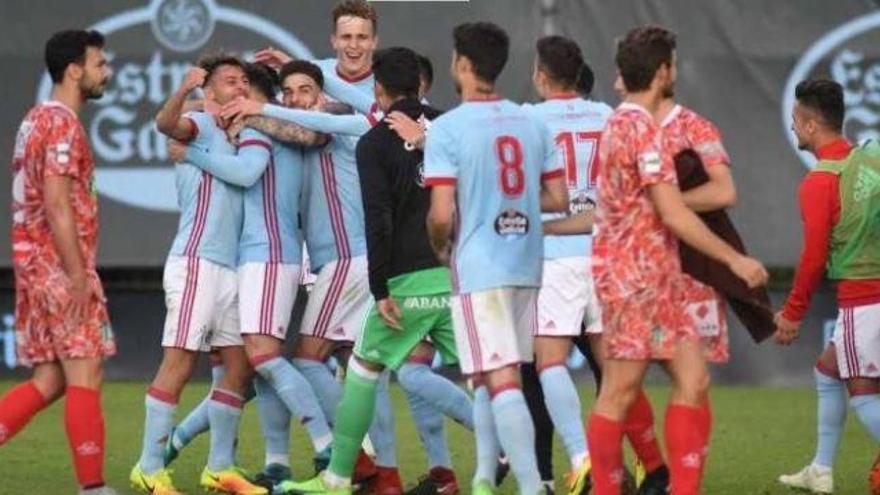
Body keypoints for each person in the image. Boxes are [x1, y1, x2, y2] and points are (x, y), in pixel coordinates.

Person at [585, 26, 767, 495]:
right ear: (663, 71)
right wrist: (734, 259)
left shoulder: (617, 124)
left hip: (656, 279)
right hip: (635, 280)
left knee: (694, 377)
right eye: (674, 65)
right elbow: (671, 211)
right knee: (619, 393)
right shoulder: (642, 129)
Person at [276, 46, 453, 495]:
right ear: (420, 82)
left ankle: (337, 476)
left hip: (407, 277)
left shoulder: (375, 141)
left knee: (362, 371)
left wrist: (381, 289)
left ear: (377, 88)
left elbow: (378, 219)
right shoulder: (451, 125)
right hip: (459, 276)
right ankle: (519, 474)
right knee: (494, 378)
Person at [165, 62, 333, 490]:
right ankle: (263, 460)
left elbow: (244, 173)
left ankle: (328, 446)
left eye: (241, 88)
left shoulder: (257, 125)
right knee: (240, 369)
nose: (231, 97)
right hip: (261, 257)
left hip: (266, 255)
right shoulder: (273, 124)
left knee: (262, 358)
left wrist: (192, 154)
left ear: (251, 98)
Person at [424, 22, 569, 495]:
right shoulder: (533, 121)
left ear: (462, 65)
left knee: (501, 375)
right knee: (489, 375)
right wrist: (512, 204)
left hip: (480, 266)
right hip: (527, 263)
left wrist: (440, 245)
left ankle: (530, 487)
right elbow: (557, 196)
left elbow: (441, 214)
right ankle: (484, 478)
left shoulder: (447, 128)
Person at [129, 54, 266, 495]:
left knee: (239, 368)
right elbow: (165, 126)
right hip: (196, 263)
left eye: (244, 81)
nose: (240, 87)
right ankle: (149, 466)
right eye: (230, 81)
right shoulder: (200, 122)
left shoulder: (244, 134)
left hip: (231, 268)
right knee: (180, 361)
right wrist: (184, 91)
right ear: (209, 91)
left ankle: (219, 467)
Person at [0, 29, 116, 495]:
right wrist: (75, 273)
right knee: (86, 370)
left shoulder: (35, 119)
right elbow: (57, 201)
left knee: (50, 378)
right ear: (75, 70)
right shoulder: (63, 124)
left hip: (33, 265)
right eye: (99, 64)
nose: (105, 72)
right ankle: (93, 488)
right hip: (57, 267)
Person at [776, 78, 880, 495]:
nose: (793, 126)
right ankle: (821, 469)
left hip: (864, 299)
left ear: (809, 124)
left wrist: (792, 314)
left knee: (862, 392)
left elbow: (814, 257)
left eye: (795, 120)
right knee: (828, 370)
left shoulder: (819, 182)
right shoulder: (872, 158)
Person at [521, 35, 612, 495]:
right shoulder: (608, 117)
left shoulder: (529, 119)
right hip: (606, 252)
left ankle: (581, 456)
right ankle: (620, 463)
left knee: (549, 361)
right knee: (611, 366)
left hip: (555, 255)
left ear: (540, 74)